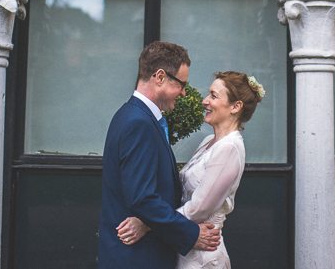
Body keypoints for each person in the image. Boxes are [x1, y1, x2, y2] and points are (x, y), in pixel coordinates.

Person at [117, 70, 265, 269]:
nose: (205, 101)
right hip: (186, 246)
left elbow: (199, 208)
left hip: (203, 256)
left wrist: (147, 224)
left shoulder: (229, 148)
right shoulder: (208, 142)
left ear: (235, 107)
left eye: (213, 96)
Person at [98, 41, 221, 269]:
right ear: (160, 77)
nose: (184, 92)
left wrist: (147, 223)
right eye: (181, 84)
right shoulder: (139, 123)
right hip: (137, 258)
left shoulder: (131, 114)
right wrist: (192, 233)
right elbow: (143, 198)